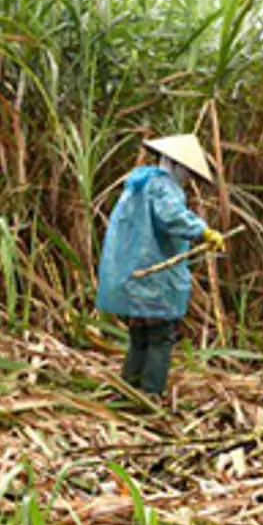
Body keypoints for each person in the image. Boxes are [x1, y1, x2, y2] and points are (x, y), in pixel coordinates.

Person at [95, 134, 225, 397]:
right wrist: (203, 232)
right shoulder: (162, 187)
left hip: (136, 270)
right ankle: (151, 393)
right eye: (187, 171)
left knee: (140, 332)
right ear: (175, 165)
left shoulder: (141, 182)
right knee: (160, 334)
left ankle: (128, 389)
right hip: (155, 273)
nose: (188, 177)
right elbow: (172, 216)